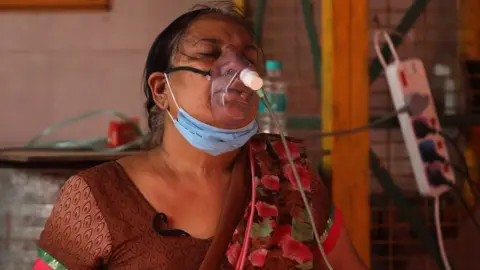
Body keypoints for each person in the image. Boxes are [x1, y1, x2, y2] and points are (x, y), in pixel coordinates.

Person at [34, 2, 368, 270]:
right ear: (162, 89)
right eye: (209, 54)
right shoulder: (99, 196)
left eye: (249, 59)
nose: (237, 70)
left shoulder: (289, 179)